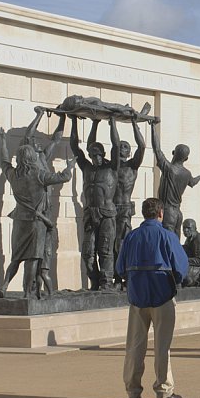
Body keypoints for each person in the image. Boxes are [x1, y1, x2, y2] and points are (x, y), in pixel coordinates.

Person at [115, 197, 188, 398]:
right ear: (161, 213)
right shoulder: (167, 235)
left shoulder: (131, 237)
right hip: (162, 295)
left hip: (137, 296)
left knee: (135, 345)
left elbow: (120, 268)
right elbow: (181, 267)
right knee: (162, 346)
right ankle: (163, 391)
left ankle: (133, 390)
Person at [0, 127, 75, 299]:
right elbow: (63, 177)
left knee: (16, 258)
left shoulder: (13, 174)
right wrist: (70, 167)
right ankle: (27, 293)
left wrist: (3, 141)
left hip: (19, 221)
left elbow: (4, 161)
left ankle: (3, 286)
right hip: (36, 222)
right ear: (32, 158)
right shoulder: (39, 174)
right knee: (33, 258)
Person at [71, 117, 120, 291]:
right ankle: (95, 281)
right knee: (87, 253)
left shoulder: (112, 168)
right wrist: (75, 121)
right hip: (90, 215)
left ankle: (106, 283)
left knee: (105, 251)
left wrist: (112, 122)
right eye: (93, 155)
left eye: (99, 155)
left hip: (107, 214)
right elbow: (74, 146)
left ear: (103, 155)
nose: (96, 158)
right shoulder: (86, 168)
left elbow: (116, 145)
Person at [149, 119, 200, 239]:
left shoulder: (168, 168)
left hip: (167, 212)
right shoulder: (187, 173)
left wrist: (153, 127)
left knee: (167, 242)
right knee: (175, 243)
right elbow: (192, 182)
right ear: (186, 159)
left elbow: (157, 149)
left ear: (173, 153)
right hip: (178, 214)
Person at [112, 120, 146, 277]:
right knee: (109, 244)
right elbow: (115, 142)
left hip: (125, 208)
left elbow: (142, 146)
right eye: (120, 146)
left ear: (129, 153)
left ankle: (124, 276)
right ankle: (111, 277)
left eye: (125, 147)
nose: (121, 148)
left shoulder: (132, 166)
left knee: (123, 243)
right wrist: (112, 124)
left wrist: (134, 123)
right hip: (111, 209)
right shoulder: (110, 167)